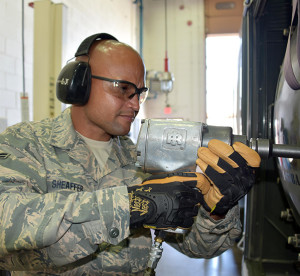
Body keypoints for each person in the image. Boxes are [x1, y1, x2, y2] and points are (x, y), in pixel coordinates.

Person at [0, 33, 261, 275]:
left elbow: (197, 247)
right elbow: (6, 228)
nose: (135, 104)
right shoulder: (26, 144)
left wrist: (216, 211)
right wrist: (131, 206)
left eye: (139, 93)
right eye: (123, 89)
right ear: (81, 85)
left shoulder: (142, 161)